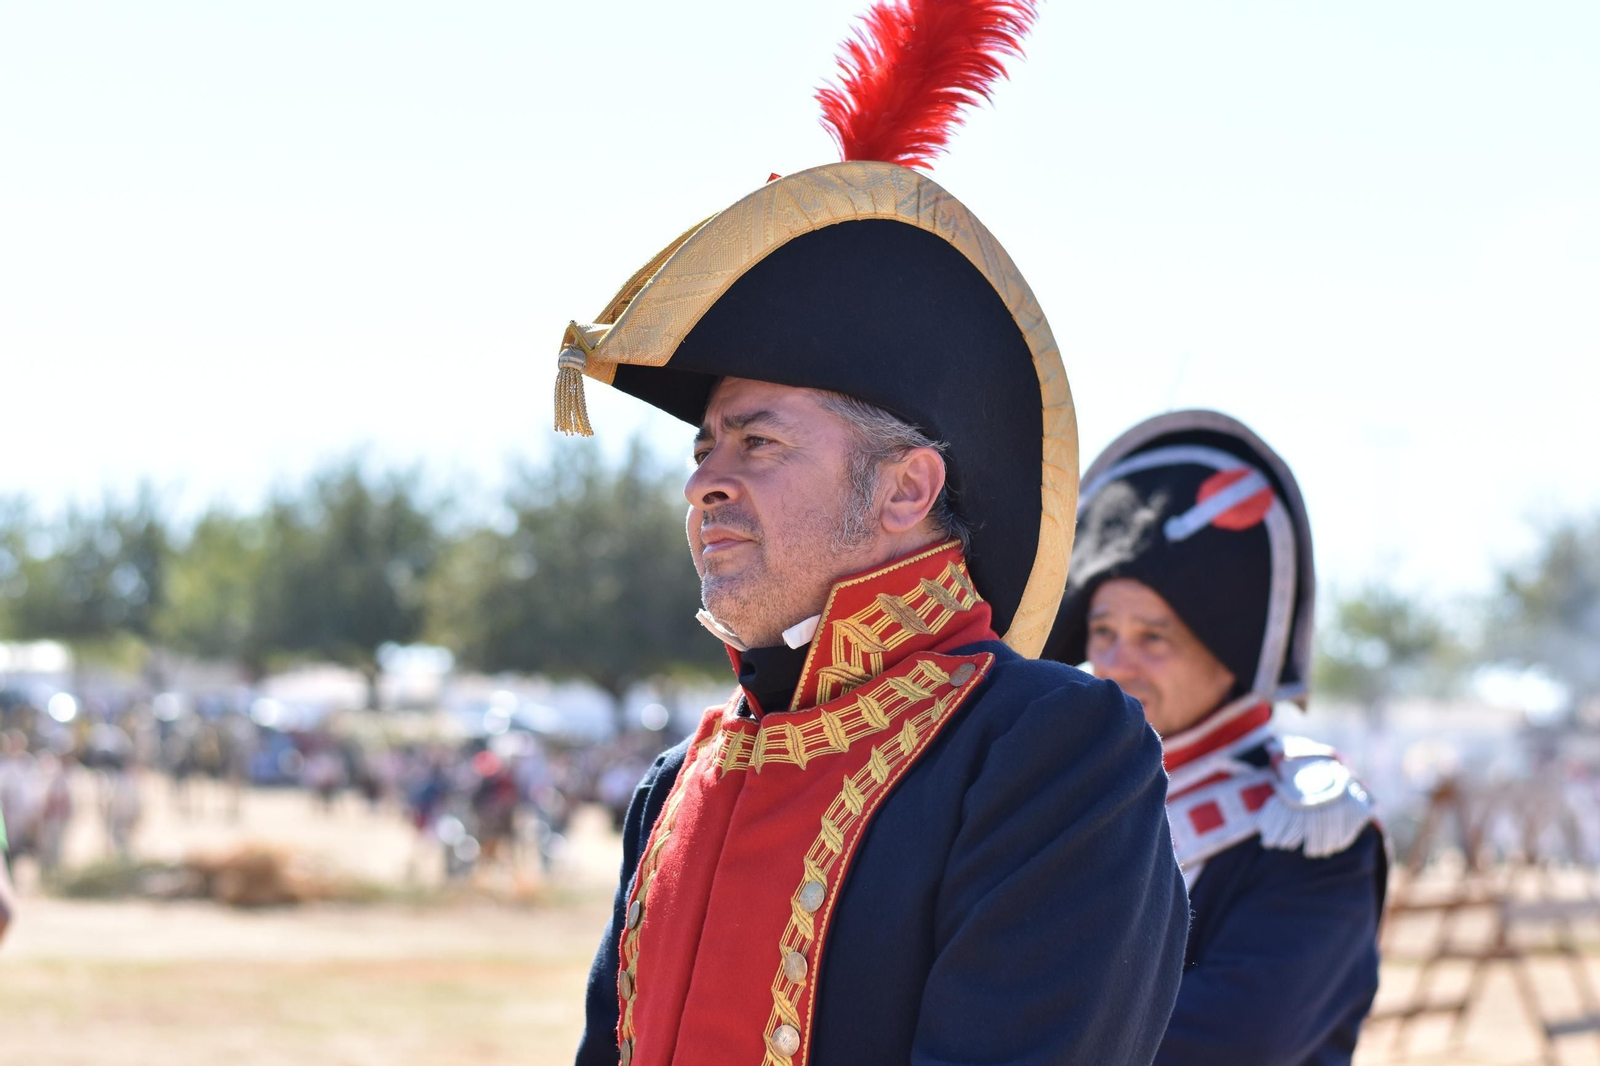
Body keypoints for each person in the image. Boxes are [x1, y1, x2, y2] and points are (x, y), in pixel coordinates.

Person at [564, 5, 1187, 1064]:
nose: (705, 484)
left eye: (756, 444)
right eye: (701, 450)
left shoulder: (1049, 750)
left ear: (906, 491)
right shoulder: (678, 780)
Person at [1045, 409, 1387, 1066]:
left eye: (1155, 638)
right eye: (1106, 634)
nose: (1118, 664)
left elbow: (1232, 1043)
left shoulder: (1306, 823)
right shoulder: (1068, 795)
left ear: (1227, 652)